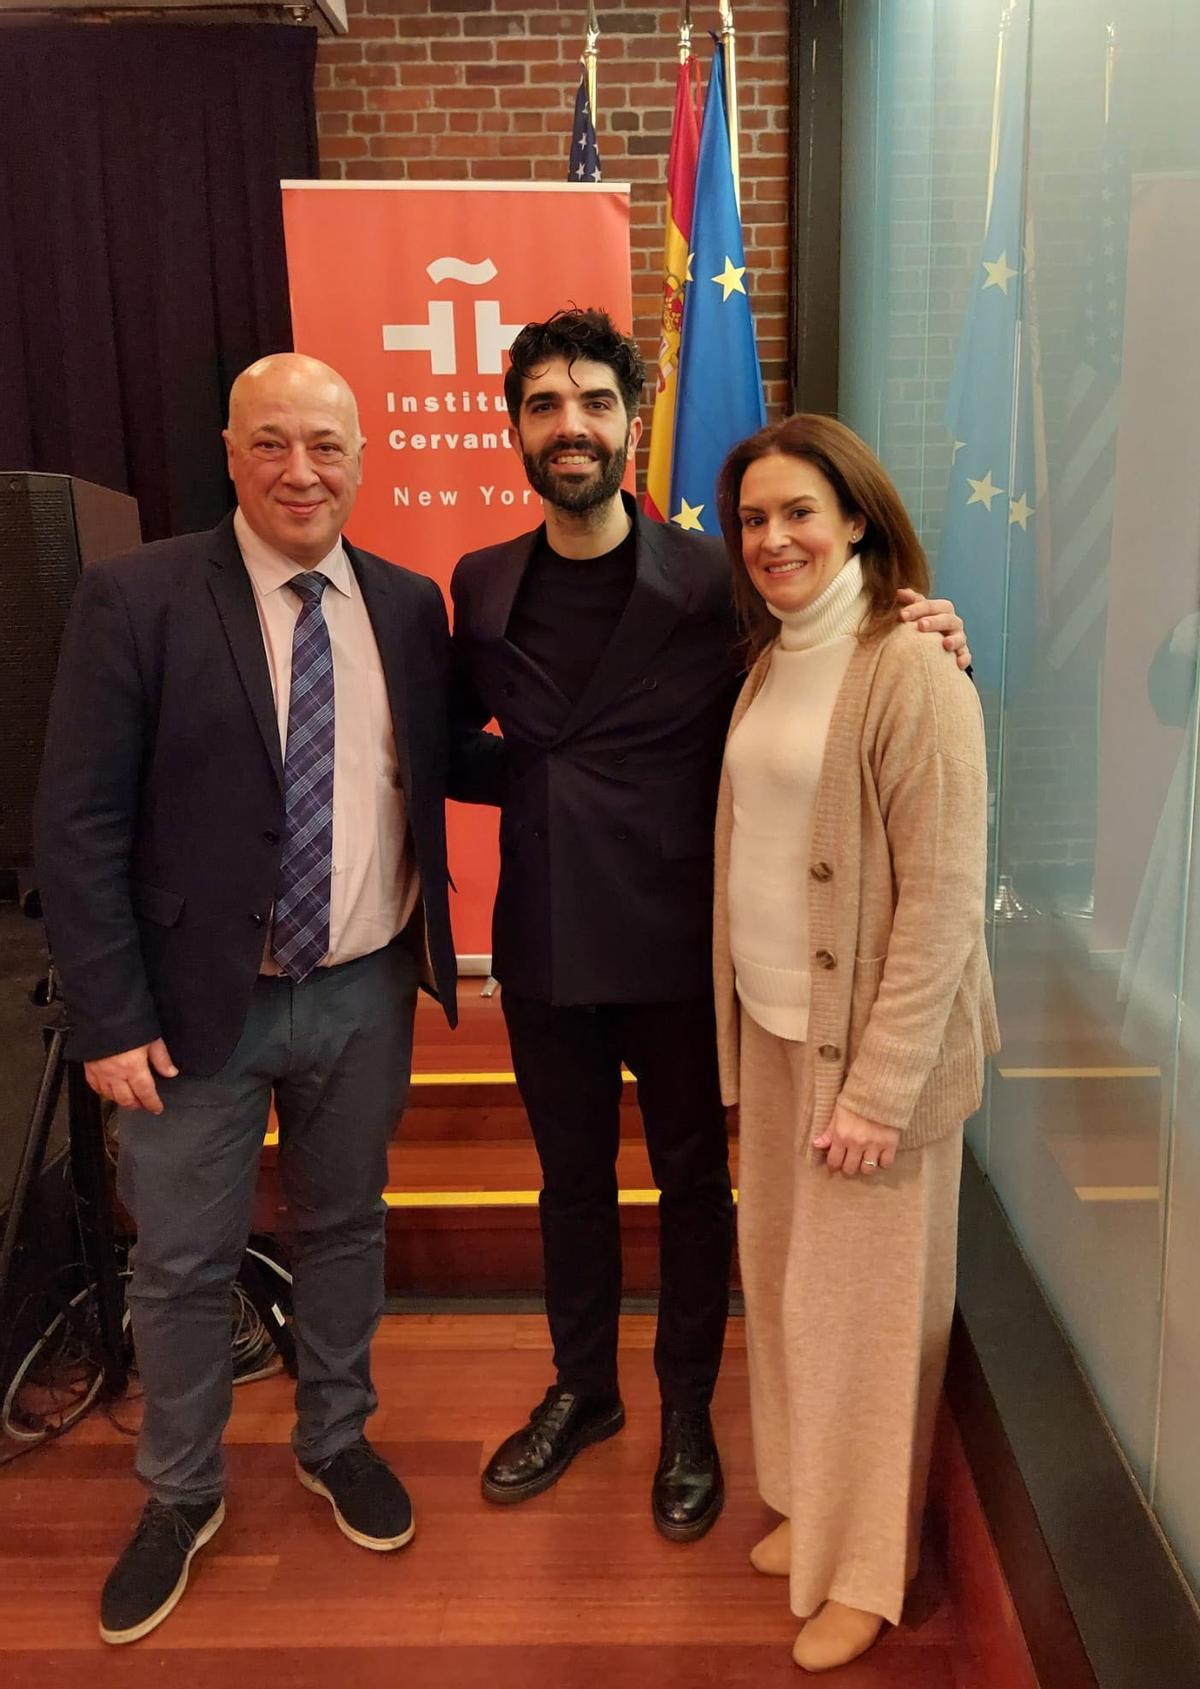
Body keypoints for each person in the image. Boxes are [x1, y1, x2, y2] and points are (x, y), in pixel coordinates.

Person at [449, 310, 971, 1542]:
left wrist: (933, 635)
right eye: (543, 405)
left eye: (592, 402)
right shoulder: (478, 583)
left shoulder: (711, 579)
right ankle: (584, 1391)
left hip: (688, 948)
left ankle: (687, 1408)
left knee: (694, 1184)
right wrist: (538, 780)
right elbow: (448, 741)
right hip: (544, 939)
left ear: (634, 424)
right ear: (515, 426)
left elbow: (838, 675)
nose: (568, 426)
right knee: (568, 1183)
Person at [34, 353, 496, 1646]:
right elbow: (75, 822)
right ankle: (180, 1493)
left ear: (361, 457)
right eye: (275, 443)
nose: (304, 469)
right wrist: (111, 1015)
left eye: (328, 445)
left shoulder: (408, 607)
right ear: (232, 452)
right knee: (181, 1266)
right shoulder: (136, 597)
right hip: (188, 1009)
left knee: (348, 1226)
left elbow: (455, 760)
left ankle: (335, 1437)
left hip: (362, 992)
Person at [710, 414, 999, 1671]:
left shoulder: (913, 670)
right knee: (783, 1291)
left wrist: (878, 1094)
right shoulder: (775, 658)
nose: (773, 540)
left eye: (798, 515)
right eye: (754, 520)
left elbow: (942, 902)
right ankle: (808, 1508)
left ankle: (866, 1573)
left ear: (858, 522)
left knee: (867, 1325)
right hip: (780, 1033)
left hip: (869, 1063)